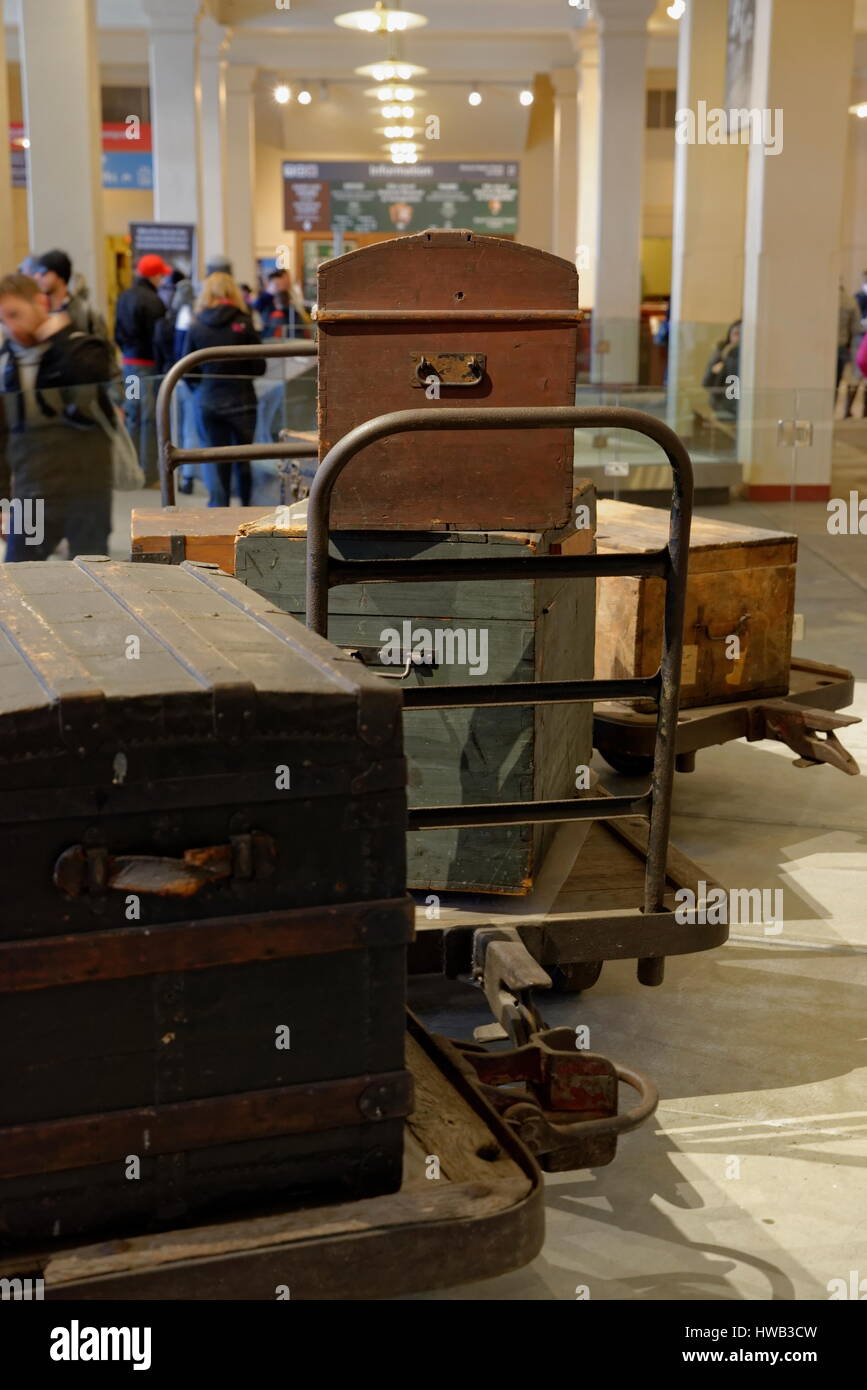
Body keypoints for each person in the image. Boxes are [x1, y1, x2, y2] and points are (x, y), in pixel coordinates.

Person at [0, 273, 118, 561]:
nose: (12, 327)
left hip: (86, 489)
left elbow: (93, 373)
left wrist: (53, 334)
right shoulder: (8, 363)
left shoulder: (83, 348)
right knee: (21, 575)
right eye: (4, 320)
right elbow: (2, 437)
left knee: (90, 577)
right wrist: (3, 502)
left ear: (40, 302)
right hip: (34, 492)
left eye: (16, 314)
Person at [184, 271, 266, 507]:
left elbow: (186, 369)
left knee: (215, 460)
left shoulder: (197, 325)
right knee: (243, 460)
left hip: (208, 399)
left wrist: (201, 389)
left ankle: (218, 516)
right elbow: (259, 366)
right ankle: (248, 516)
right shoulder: (244, 321)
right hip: (242, 399)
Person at [114, 253, 170, 484]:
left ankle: (129, 470)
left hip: (130, 368)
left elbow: (117, 332)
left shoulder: (125, 296)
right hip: (148, 369)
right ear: (155, 275)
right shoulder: (154, 301)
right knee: (149, 419)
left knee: (133, 414)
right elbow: (158, 340)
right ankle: (148, 473)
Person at [33, 249, 109, 340]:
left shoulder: (86, 312)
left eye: (43, 273)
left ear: (60, 276)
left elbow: (102, 348)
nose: (37, 277)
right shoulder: (37, 311)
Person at [702, 319, 741, 420]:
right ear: (729, 335)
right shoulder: (723, 352)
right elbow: (707, 382)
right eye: (736, 334)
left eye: (743, 334)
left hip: (739, 408)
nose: (739, 338)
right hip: (724, 407)